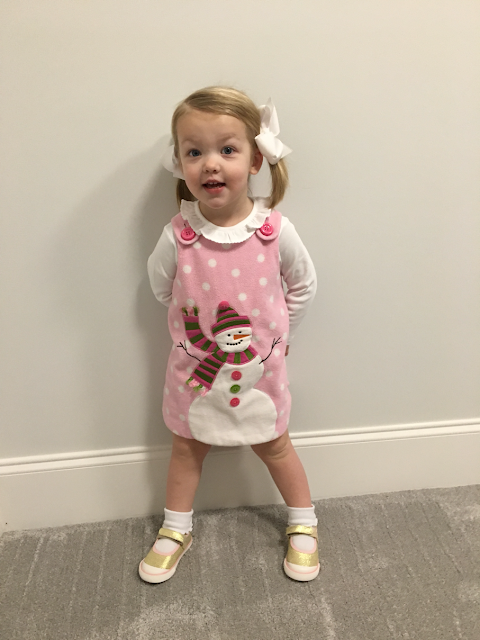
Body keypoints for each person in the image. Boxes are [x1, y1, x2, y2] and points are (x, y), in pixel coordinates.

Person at [139, 86, 318, 584]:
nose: (211, 164)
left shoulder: (274, 231)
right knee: (186, 448)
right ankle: (176, 528)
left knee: (276, 445)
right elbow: (162, 288)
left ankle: (303, 520)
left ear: (256, 159)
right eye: (195, 152)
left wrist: (280, 337)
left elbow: (303, 286)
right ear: (180, 164)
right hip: (194, 376)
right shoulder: (179, 235)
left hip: (261, 374)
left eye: (227, 149)